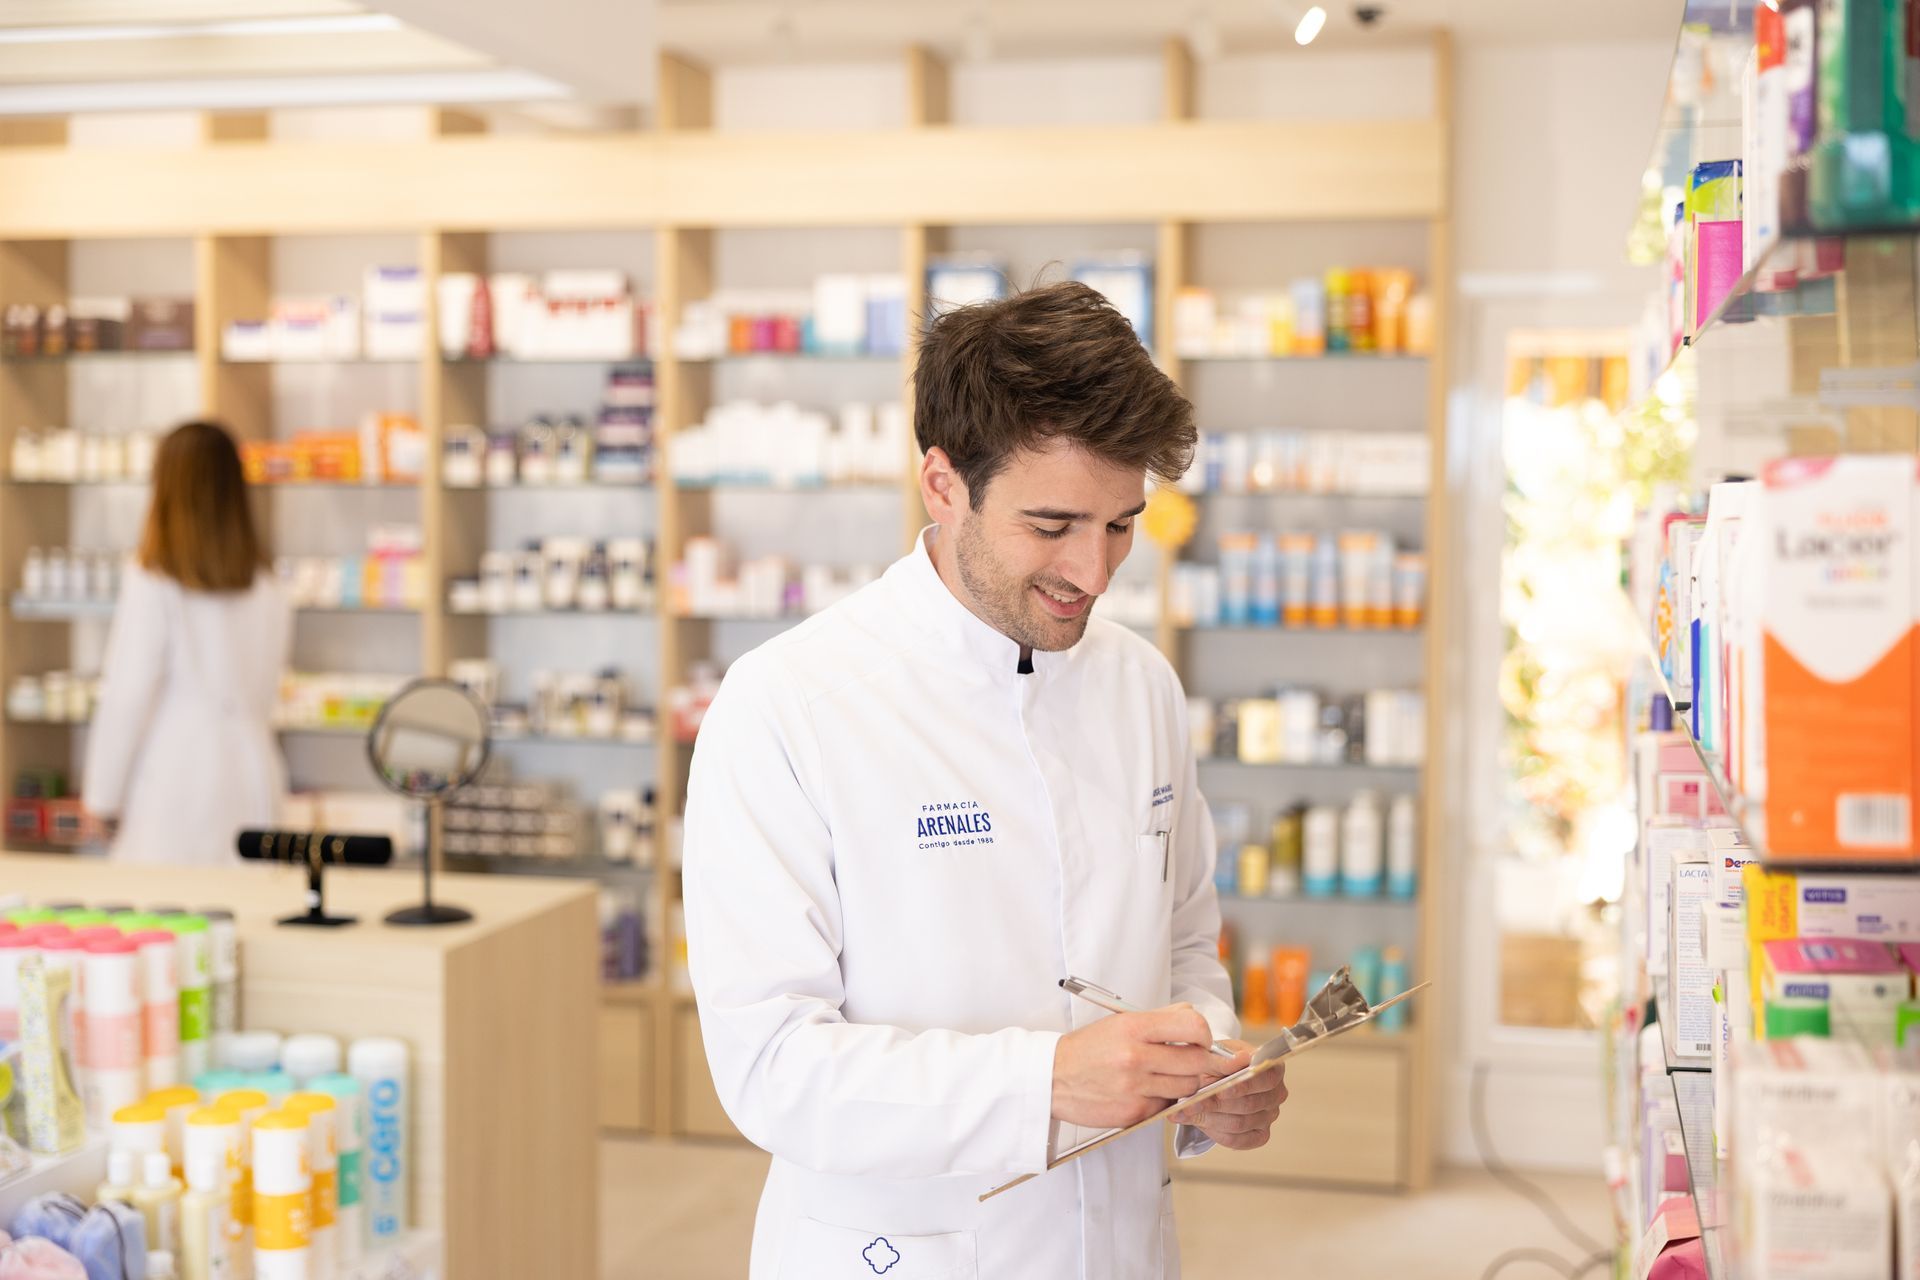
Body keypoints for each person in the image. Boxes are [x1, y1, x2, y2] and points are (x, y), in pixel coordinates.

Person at [684, 281, 1285, 1279]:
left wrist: (1207, 1068)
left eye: (1122, 524)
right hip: (898, 1250)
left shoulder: (1141, 683)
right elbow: (771, 1066)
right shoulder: (788, 703)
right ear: (942, 480)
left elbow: (1183, 950)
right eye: (1051, 525)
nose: (1093, 572)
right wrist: (1044, 1079)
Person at [84, 419, 291, 864]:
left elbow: (128, 696)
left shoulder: (152, 579)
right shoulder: (267, 584)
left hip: (177, 780)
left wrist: (101, 798)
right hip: (254, 774)